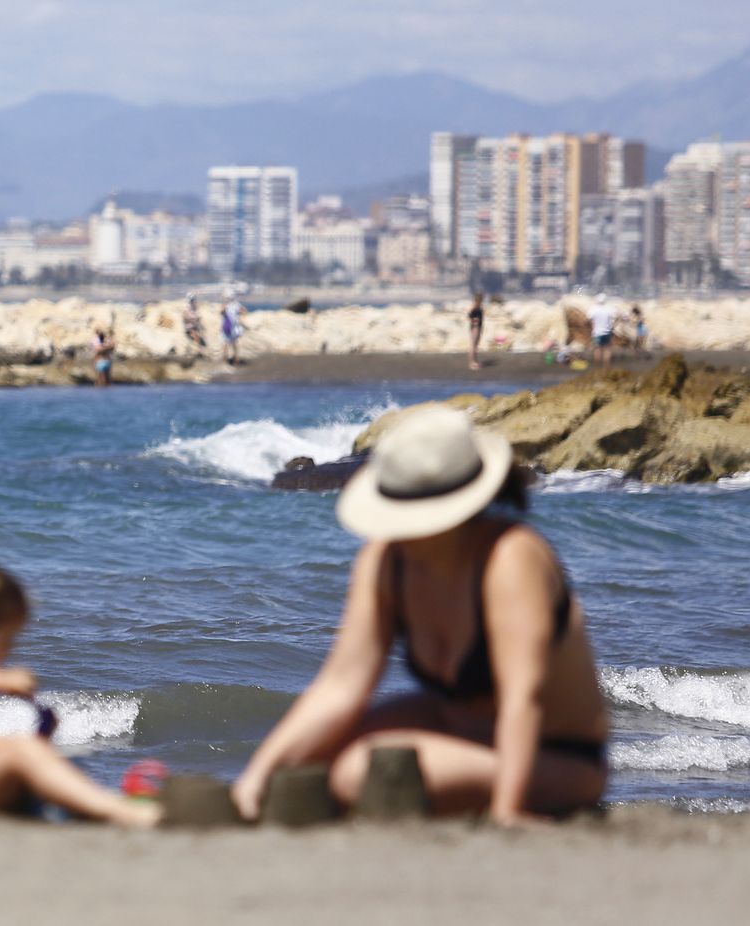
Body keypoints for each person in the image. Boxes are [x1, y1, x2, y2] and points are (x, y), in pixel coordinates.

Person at [231, 407, 608, 824]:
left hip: (552, 756)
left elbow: (524, 697)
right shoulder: (386, 560)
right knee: (317, 755)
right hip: (453, 724)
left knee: (357, 773)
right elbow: (340, 685)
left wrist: (508, 811)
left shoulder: (511, 557)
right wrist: (254, 779)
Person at [0, 538, 160, 828]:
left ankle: (87, 805)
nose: (8, 651)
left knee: (41, 760)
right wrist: (7, 745)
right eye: (5, 640)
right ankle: (121, 811)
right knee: (22, 750)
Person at [587, 294, 620, 368]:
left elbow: (588, 320)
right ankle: (606, 367)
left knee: (597, 349)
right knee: (607, 349)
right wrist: (613, 326)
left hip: (597, 333)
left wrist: (592, 327)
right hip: (607, 332)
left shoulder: (593, 309)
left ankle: (597, 367)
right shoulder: (609, 309)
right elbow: (617, 317)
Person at [221, 300, 245, 365]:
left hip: (231, 327)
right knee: (227, 343)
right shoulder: (227, 304)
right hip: (227, 326)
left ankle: (234, 358)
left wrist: (238, 313)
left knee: (230, 342)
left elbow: (243, 311)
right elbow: (222, 313)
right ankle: (228, 358)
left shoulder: (236, 304)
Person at [467, 294, 485, 371]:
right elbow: (470, 316)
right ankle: (472, 363)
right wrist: (475, 321)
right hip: (475, 327)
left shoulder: (479, 307)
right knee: (473, 345)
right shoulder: (475, 308)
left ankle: (475, 362)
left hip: (478, 327)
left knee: (476, 345)